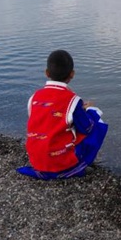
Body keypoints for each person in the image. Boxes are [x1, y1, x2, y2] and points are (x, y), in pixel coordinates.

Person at [17, 50, 108, 180]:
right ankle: (77, 166)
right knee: (96, 122)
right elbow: (86, 128)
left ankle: (45, 165)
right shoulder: (73, 100)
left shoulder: (34, 97)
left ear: (47, 73)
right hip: (59, 162)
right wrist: (89, 110)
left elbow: (44, 118)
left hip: (36, 160)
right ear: (72, 74)